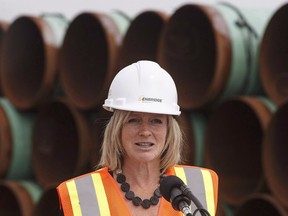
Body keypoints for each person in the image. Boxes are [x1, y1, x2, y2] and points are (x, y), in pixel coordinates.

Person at [57, 60, 218, 216]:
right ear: (117, 129)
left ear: (169, 130)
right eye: (134, 120)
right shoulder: (81, 195)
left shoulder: (200, 185)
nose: (145, 131)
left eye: (156, 121)